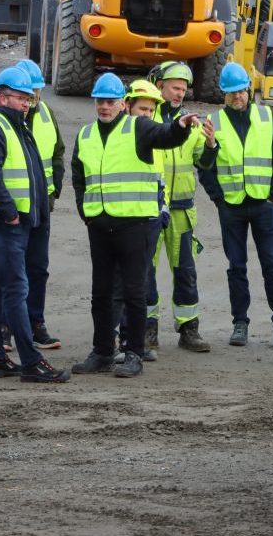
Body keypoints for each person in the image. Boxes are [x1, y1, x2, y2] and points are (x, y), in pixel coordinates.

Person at [70, 73, 201, 378]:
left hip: (134, 224)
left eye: (110, 101)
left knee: (134, 291)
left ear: (123, 104)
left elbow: (164, 136)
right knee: (101, 294)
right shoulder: (86, 135)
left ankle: (134, 353)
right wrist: (85, 210)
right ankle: (102, 352)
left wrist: (180, 127)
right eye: (100, 101)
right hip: (100, 225)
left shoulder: (138, 127)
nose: (104, 106)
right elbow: (78, 175)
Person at [0, 67, 71, 383]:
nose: (27, 103)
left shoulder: (16, 126)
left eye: (28, 98)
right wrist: (10, 212)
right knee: (15, 288)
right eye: (20, 98)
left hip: (14, 222)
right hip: (3, 223)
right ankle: (31, 362)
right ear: (3, 97)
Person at [197, 62, 273, 349]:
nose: (237, 97)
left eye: (241, 91)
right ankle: (240, 322)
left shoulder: (266, 117)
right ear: (224, 95)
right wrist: (218, 199)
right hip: (233, 207)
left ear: (249, 90)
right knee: (236, 267)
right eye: (231, 93)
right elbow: (204, 166)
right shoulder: (214, 122)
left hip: (264, 205)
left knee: (271, 266)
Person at [0, 58, 63, 352]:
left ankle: (36, 323)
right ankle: (5, 328)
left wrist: (54, 190)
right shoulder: (1, 121)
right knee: (10, 271)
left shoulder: (46, 115)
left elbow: (58, 153)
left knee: (37, 269)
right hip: (12, 211)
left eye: (36, 93)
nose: (33, 99)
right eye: (28, 94)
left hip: (41, 207)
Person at [145, 61, 211, 353]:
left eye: (183, 89)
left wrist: (211, 146)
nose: (179, 94)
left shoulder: (192, 122)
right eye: (175, 87)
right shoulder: (147, 118)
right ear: (159, 86)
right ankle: (147, 329)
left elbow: (203, 163)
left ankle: (189, 329)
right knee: (146, 270)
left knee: (185, 270)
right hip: (149, 207)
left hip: (182, 210)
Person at [111, 79, 172, 363]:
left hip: (150, 218)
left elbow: (158, 178)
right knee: (120, 284)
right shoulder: (121, 135)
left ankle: (132, 340)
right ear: (128, 106)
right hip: (123, 219)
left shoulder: (153, 135)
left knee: (140, 284)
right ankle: (119, 341)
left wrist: (163, 209)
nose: (146, 114)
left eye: (150, 110)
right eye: (142, 108)